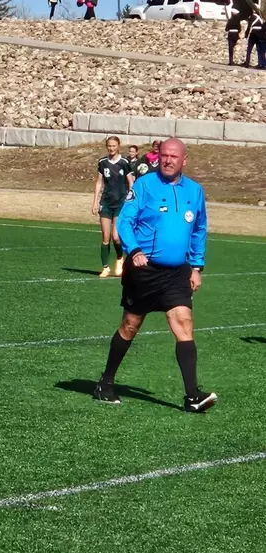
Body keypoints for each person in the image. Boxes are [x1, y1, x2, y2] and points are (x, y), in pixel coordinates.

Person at [92, 138, 217, 413]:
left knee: (183, 323)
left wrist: (196, 267)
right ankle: (106, 382)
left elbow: (199, 229)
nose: (168, 160)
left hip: (177, 273)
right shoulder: (144, 186)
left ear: (184, 160)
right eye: (164, 155)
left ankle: (192, 396)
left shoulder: (195, 191)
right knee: (130, 326)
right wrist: (133, 249)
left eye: (174, 156)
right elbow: (126, 221)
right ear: (158, 157)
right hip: (144, 272)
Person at [92, 136, 134, 278]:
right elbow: (99, 182)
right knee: (105, 237)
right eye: (109, 146)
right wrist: (95, 202)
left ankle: (119, 258)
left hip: (120, 203)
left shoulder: (124, 162)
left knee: (116, 237)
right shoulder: (102, 163)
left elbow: (131, 182)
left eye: (114, 146)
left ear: (118, 146)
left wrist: (131, 199)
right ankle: (105, 268)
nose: (111, 148)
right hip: (106, 203)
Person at [226, 0, 243, 66]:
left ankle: (231, 61)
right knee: (233, 47)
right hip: (235, 35)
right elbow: (239, 29)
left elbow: (226, 29)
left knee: (230, 48)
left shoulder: (230, 20)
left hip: (231, 34)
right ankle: (232, 61)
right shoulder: (238, 20)